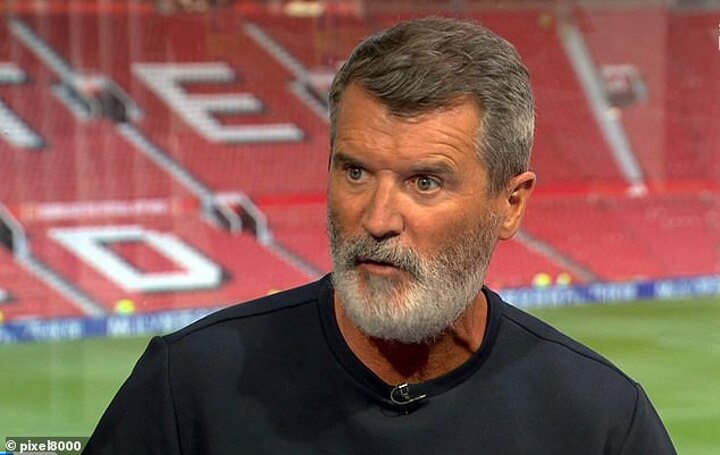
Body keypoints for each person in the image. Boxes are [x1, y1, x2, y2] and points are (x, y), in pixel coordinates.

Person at [84, 17, 676, 454]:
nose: (377, 218)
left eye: (425, 182)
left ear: (510, 204)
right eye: (356, 172)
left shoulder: (601, 421)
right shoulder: (188, 387)